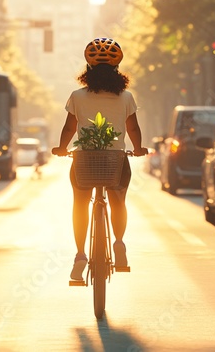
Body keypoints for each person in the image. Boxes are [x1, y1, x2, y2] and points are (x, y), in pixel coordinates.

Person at [52, 38, 148, 281]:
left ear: (88, 69)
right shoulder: (126, 97)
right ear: (117, 71)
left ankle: (81, 255)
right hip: (115, 160)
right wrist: (137, 148)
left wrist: (62, 148)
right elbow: (133, 129)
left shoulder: (77, 96)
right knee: (118, 201)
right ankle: (118, 243)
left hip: (84, 159)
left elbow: (69, 128)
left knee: (80, 204)